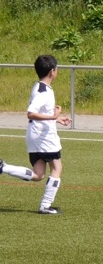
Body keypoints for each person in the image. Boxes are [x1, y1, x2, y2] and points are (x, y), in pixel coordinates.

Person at [0, 55, 72, 214]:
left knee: (38, 174)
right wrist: (53, 117)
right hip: (44, 137)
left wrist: (57, 119)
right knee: (57, 167)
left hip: (35, 135)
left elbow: (40, 112)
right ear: (52, 71)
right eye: (57, 69)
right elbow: (31, 113)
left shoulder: (39, 86)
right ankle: (45, 206)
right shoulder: (43, 92)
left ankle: (3, 167)